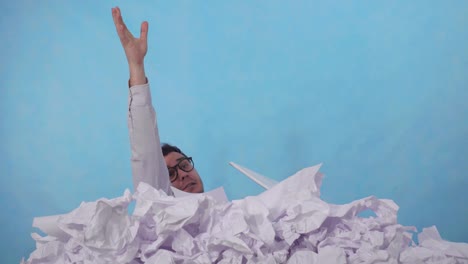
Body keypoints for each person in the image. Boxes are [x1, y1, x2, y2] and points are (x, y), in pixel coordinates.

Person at [111, 6, 204, 195]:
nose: (184, 175)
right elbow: (145, 153)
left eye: (184, 165)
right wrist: (136, 66)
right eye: (170, 174)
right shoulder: (163, 216)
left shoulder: (236, 213)